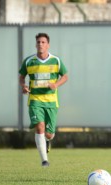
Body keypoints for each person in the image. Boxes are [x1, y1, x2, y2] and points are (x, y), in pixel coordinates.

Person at [19, 33, 68, 167]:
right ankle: (44, 161)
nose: (40, 44)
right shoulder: (29, 61)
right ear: (36, 44)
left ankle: (47, 141)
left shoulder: (56, 60)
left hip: (51, 102)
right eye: (38, 42)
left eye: (43, 42)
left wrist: (56, 85)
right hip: (35, 100)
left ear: (48, 45)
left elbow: (65, 76)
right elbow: (21, 77)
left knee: (49, 134)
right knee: (39, 126)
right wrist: (24, 86)